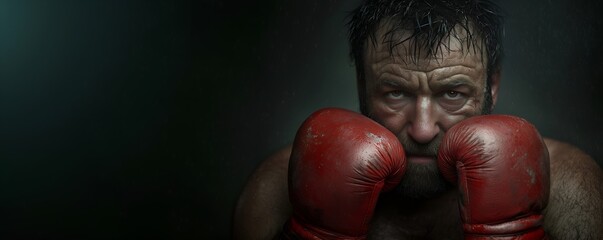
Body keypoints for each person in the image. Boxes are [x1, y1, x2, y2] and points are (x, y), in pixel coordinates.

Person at [233, 0, 603, 239]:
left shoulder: (567, 188)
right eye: (395, 93)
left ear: (492, 87)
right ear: (362, 85)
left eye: (452, 94)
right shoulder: (280, 191)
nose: (423, 129)